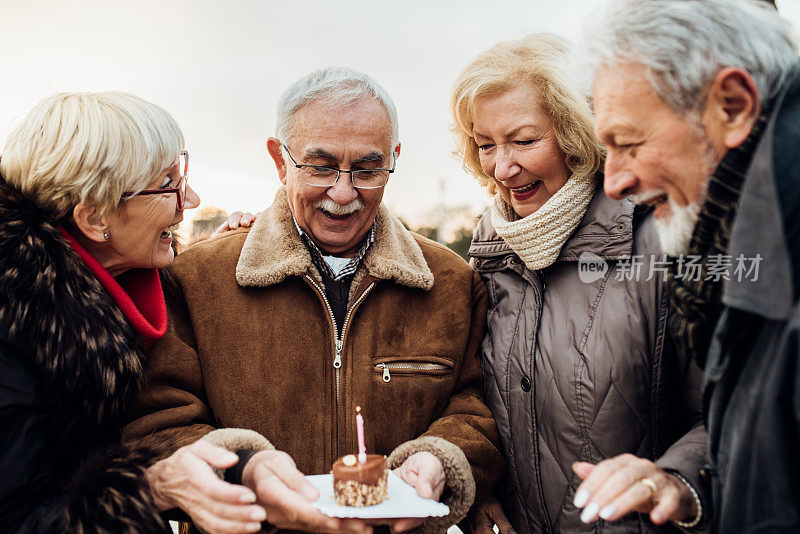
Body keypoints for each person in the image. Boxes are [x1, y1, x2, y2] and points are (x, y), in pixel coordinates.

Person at [123, 67, 504, 533]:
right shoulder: (196, 280)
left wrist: (440, 460)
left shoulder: (451, 282)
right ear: (280, 160)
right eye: (320, 167)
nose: (343, 193)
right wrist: (245, 470)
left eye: (367, 170)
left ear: (394, 158)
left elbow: (477, 409)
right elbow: (157, 424)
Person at [449, 34, 708, 533]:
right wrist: (480, 487)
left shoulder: (660, 235)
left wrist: (674, 479)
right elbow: (472, 397)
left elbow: (735, 413)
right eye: (485, 145)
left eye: (524, 141)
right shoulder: (489, 246)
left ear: (576, 133)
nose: (502, 167)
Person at [0, 92, 269, 534]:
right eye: (168, 184)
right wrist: (151, 489)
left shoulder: (109, 280)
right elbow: (19, 518)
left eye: (182, 174)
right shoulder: (13, 325)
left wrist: (224, 263)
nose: (193, 199)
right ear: (95, 220)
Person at [583, 0, 800, 531]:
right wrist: (688, 489)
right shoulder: (729, 256)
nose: (614, 184)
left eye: (628, 143)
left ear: (731, 105)